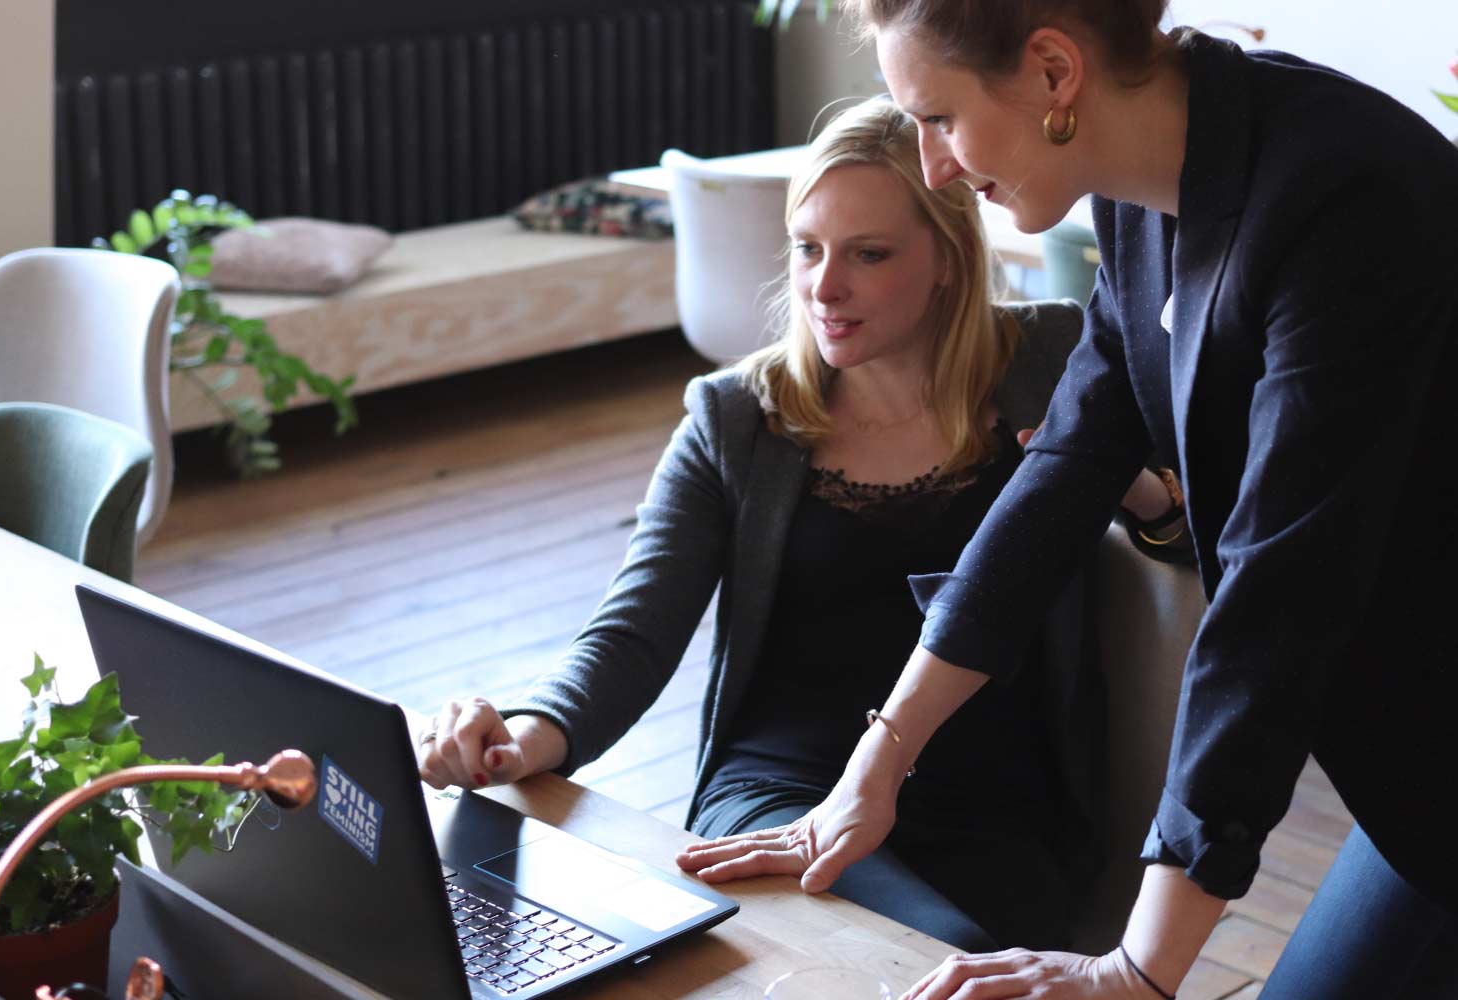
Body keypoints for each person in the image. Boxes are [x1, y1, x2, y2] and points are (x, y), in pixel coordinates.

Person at [673, 3, 1458, 999]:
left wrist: (1137, 969)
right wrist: (878, 764)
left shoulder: (1343, 192)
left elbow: (1279, 595)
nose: (933, 167)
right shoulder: (1144, 194)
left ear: (1054, 72)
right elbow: (1065, 469)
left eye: (940, 118)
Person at [418, 95, 1176, 952]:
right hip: (782, 793)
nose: (825, 286)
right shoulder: (738, 418)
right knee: (925, 951)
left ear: (949, 261)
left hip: (999, 805)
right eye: (808, 249)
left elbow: (1193, 542)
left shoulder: (1054, 360)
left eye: (869, 254)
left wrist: (1136, 493)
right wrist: (523, 738)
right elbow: (633, 632)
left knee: (949, 951)